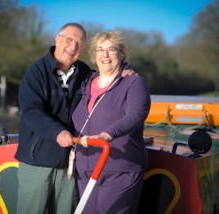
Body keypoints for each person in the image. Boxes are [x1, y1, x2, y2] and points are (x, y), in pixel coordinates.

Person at [14, 23, 134, 214]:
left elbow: (108, 73)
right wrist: (57, 132)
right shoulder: (36, 72)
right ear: (57, 39)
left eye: (79, 44)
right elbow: (30, 111)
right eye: (69, 40)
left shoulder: (85, 73)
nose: (73, 47)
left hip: (69, 165)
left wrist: (125, 70)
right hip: (36, 161)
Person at [72, 31, 151, 214]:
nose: (105, 55)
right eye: (100, 50)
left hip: (120, 168)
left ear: (121, 54)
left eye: (111, 50)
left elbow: (137, 113)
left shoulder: (133, 82)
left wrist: (109, 133)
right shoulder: (85, 82)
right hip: (85, 169)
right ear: (93, 55)